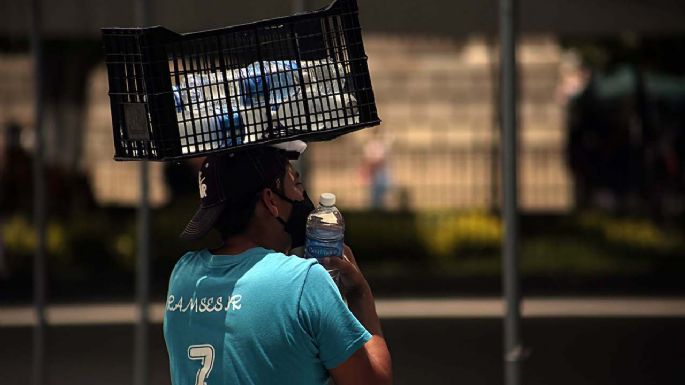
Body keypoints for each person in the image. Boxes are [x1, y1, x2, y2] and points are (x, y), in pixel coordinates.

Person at [164, 145, 392, 385]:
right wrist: (359, 293)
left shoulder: (183, 275)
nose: (302, 196)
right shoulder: (304, 282)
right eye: (296, 184)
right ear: (270, 200)